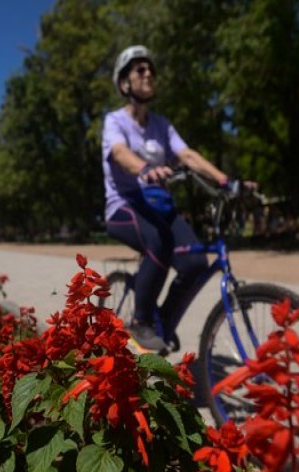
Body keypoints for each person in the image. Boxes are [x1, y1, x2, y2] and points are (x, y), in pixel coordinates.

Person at [102, 45, 245, 351]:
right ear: (125, 83)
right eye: (140, 70)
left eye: (151, 69)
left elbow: (188, 155)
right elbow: (119, 153)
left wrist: (225, 181)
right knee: (159, 242)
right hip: (124, 205)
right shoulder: (114, 121)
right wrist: (145, 168)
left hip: (158, 205)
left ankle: (161, 321)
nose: (149, 74)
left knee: (195, 262)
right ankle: (140, 320)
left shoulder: (161, 125)